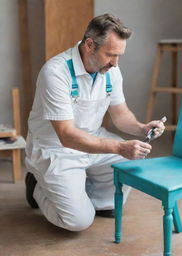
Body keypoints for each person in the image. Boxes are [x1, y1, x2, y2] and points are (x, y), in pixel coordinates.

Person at [25, 13, 165, 231]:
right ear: (90, 45)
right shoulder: (55, 72)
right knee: (78, 222)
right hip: (56, 148)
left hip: (94, 140)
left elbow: (121, 116)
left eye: (119, 55)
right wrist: (119, 147)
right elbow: (67, 135)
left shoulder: (111, 71)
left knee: (129, 169)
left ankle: (83, 194)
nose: (116, 63)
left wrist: (142, 128)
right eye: (111, 55)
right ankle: (38, 187)